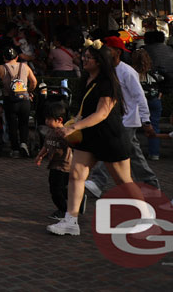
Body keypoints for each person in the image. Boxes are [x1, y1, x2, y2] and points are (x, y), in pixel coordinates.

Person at [48, 45, 137, 236]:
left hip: (109, 137)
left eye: (89, 57)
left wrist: (73, 127)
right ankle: (71, 220)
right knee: (76, 175)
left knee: (123, 181)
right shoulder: (85, 80)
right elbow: (84, 111)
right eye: (84, 56)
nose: (84, 59)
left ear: (99, 61)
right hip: (89, 136)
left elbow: (102, 114)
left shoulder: (107, 83)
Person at [84, 37, 159, 196]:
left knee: (111, 149)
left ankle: (98, 181)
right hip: (115, 119)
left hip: (127, 120)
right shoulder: (105, 71)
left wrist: (146, 120)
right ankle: (150, 185)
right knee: (132, 154)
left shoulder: (127, 72)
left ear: (117, 52)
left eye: (108, 49)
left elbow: (140, 97)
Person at [0, 44, 37, 158]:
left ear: (4, 58)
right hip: (25, 100)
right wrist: (28, 91)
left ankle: (15, 149)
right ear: (17, 57)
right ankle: (24, 144)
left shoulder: (2, 68)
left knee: (12, 125)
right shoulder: (25, 67)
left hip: (10, 100)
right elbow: (34, 82)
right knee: (24, 123)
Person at [35, 101, 81, 220]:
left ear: (59, 120)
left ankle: (63, 210)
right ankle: (78, 200)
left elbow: (74, 145)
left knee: (56, 190)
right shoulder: (50, 131)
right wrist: (40, 155)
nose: (46, 122)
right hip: (53, 165)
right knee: (59, 188)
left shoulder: (65, 132)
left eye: (49, 119)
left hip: (64, 166)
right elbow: (47, 145)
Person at [133, 47, 164, 161]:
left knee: (132, 126)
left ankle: (132, 153)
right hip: (154, 99)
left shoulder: (132, 72)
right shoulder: (155, 72)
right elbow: (167, 79)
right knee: (154, 127)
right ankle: (154, 153)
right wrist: (161, 92)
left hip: (138, 101)